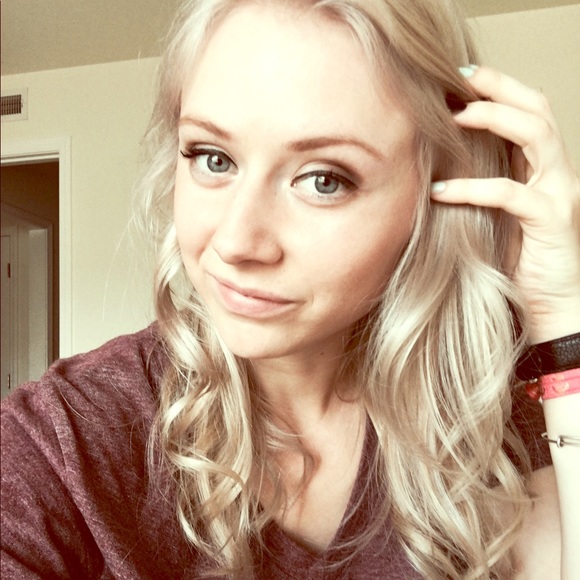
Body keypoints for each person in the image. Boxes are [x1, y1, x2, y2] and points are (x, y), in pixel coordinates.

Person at [2, 0, 579, 578]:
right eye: (213, 158)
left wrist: (564, 311)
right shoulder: (62, 444)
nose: (236, 242)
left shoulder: (492, 404)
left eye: (324, 179)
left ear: (438, 194)